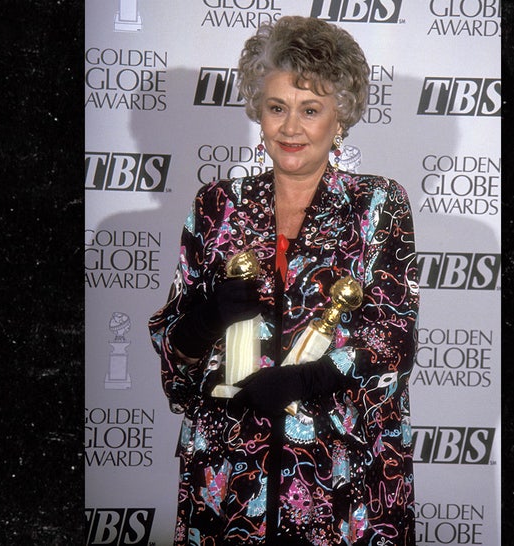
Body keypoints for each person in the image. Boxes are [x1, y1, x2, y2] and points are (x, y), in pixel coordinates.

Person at [149, 15, 419, 546]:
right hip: (227, 471)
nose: (290, 128)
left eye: (310, 110)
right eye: (277, 108)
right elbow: (173, 354)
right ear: (258, 112)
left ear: (339, 117)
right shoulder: (217, 205)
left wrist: (305, 381)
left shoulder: (377, 205)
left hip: (339, 470)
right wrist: (205, 317)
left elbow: (394, 338)